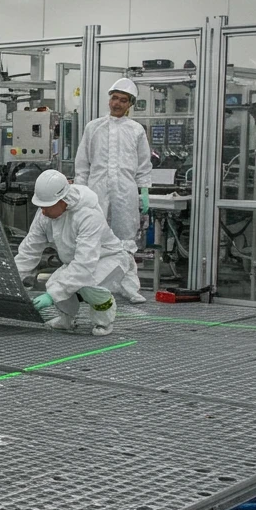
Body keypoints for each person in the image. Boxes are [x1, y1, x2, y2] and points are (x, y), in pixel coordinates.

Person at [15, 170, 137, 336]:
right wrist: (13, 279)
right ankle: (66, 319)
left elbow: (85, 265)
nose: (43, 211)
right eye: (41, 206)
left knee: (88, 286)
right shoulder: (46, 213)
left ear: (62, 200)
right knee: (54, 283)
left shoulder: (88, 215)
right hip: (77, 263)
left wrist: (51, 297)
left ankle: (104, 321)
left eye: (47, 206)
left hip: (110, 259)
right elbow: (29, 250)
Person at [75, 77, 151, 302]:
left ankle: (128, 287)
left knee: (126, 240)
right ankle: (90, 285)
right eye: (114, 98)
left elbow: (144, 164)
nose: (117, 103)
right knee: (92, 238)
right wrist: (80, 192)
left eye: (123, 100)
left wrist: (144, 191)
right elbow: (82, 164)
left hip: (125, 192)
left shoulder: (136, 130)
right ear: (109, 100)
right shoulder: (94, 127)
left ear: (130, 104)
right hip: (95, 191)